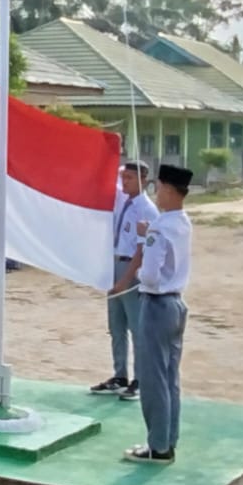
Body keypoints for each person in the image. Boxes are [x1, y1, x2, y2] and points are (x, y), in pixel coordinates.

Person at [111, 164, 193, 465]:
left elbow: (150, 276)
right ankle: (167, 440)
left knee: (153, 379)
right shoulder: (183, 222)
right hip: (176, 303)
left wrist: (147, 239)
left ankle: (157, 446)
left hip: (158, 304)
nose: (156, 192)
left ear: (169, 190)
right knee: (170, 378)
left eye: (159, 187)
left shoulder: (160, 227)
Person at [91, 162, 158, 401]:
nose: (125, 181)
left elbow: (142, 251)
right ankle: (120, 375)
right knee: (116, 327)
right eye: (124, 177)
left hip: (131, 269)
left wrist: (125, 280)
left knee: (136, 328)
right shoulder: (121, 201)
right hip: (113, 264)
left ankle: (140, 379)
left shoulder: (147, 210)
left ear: (143, 179)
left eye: (130, 177)